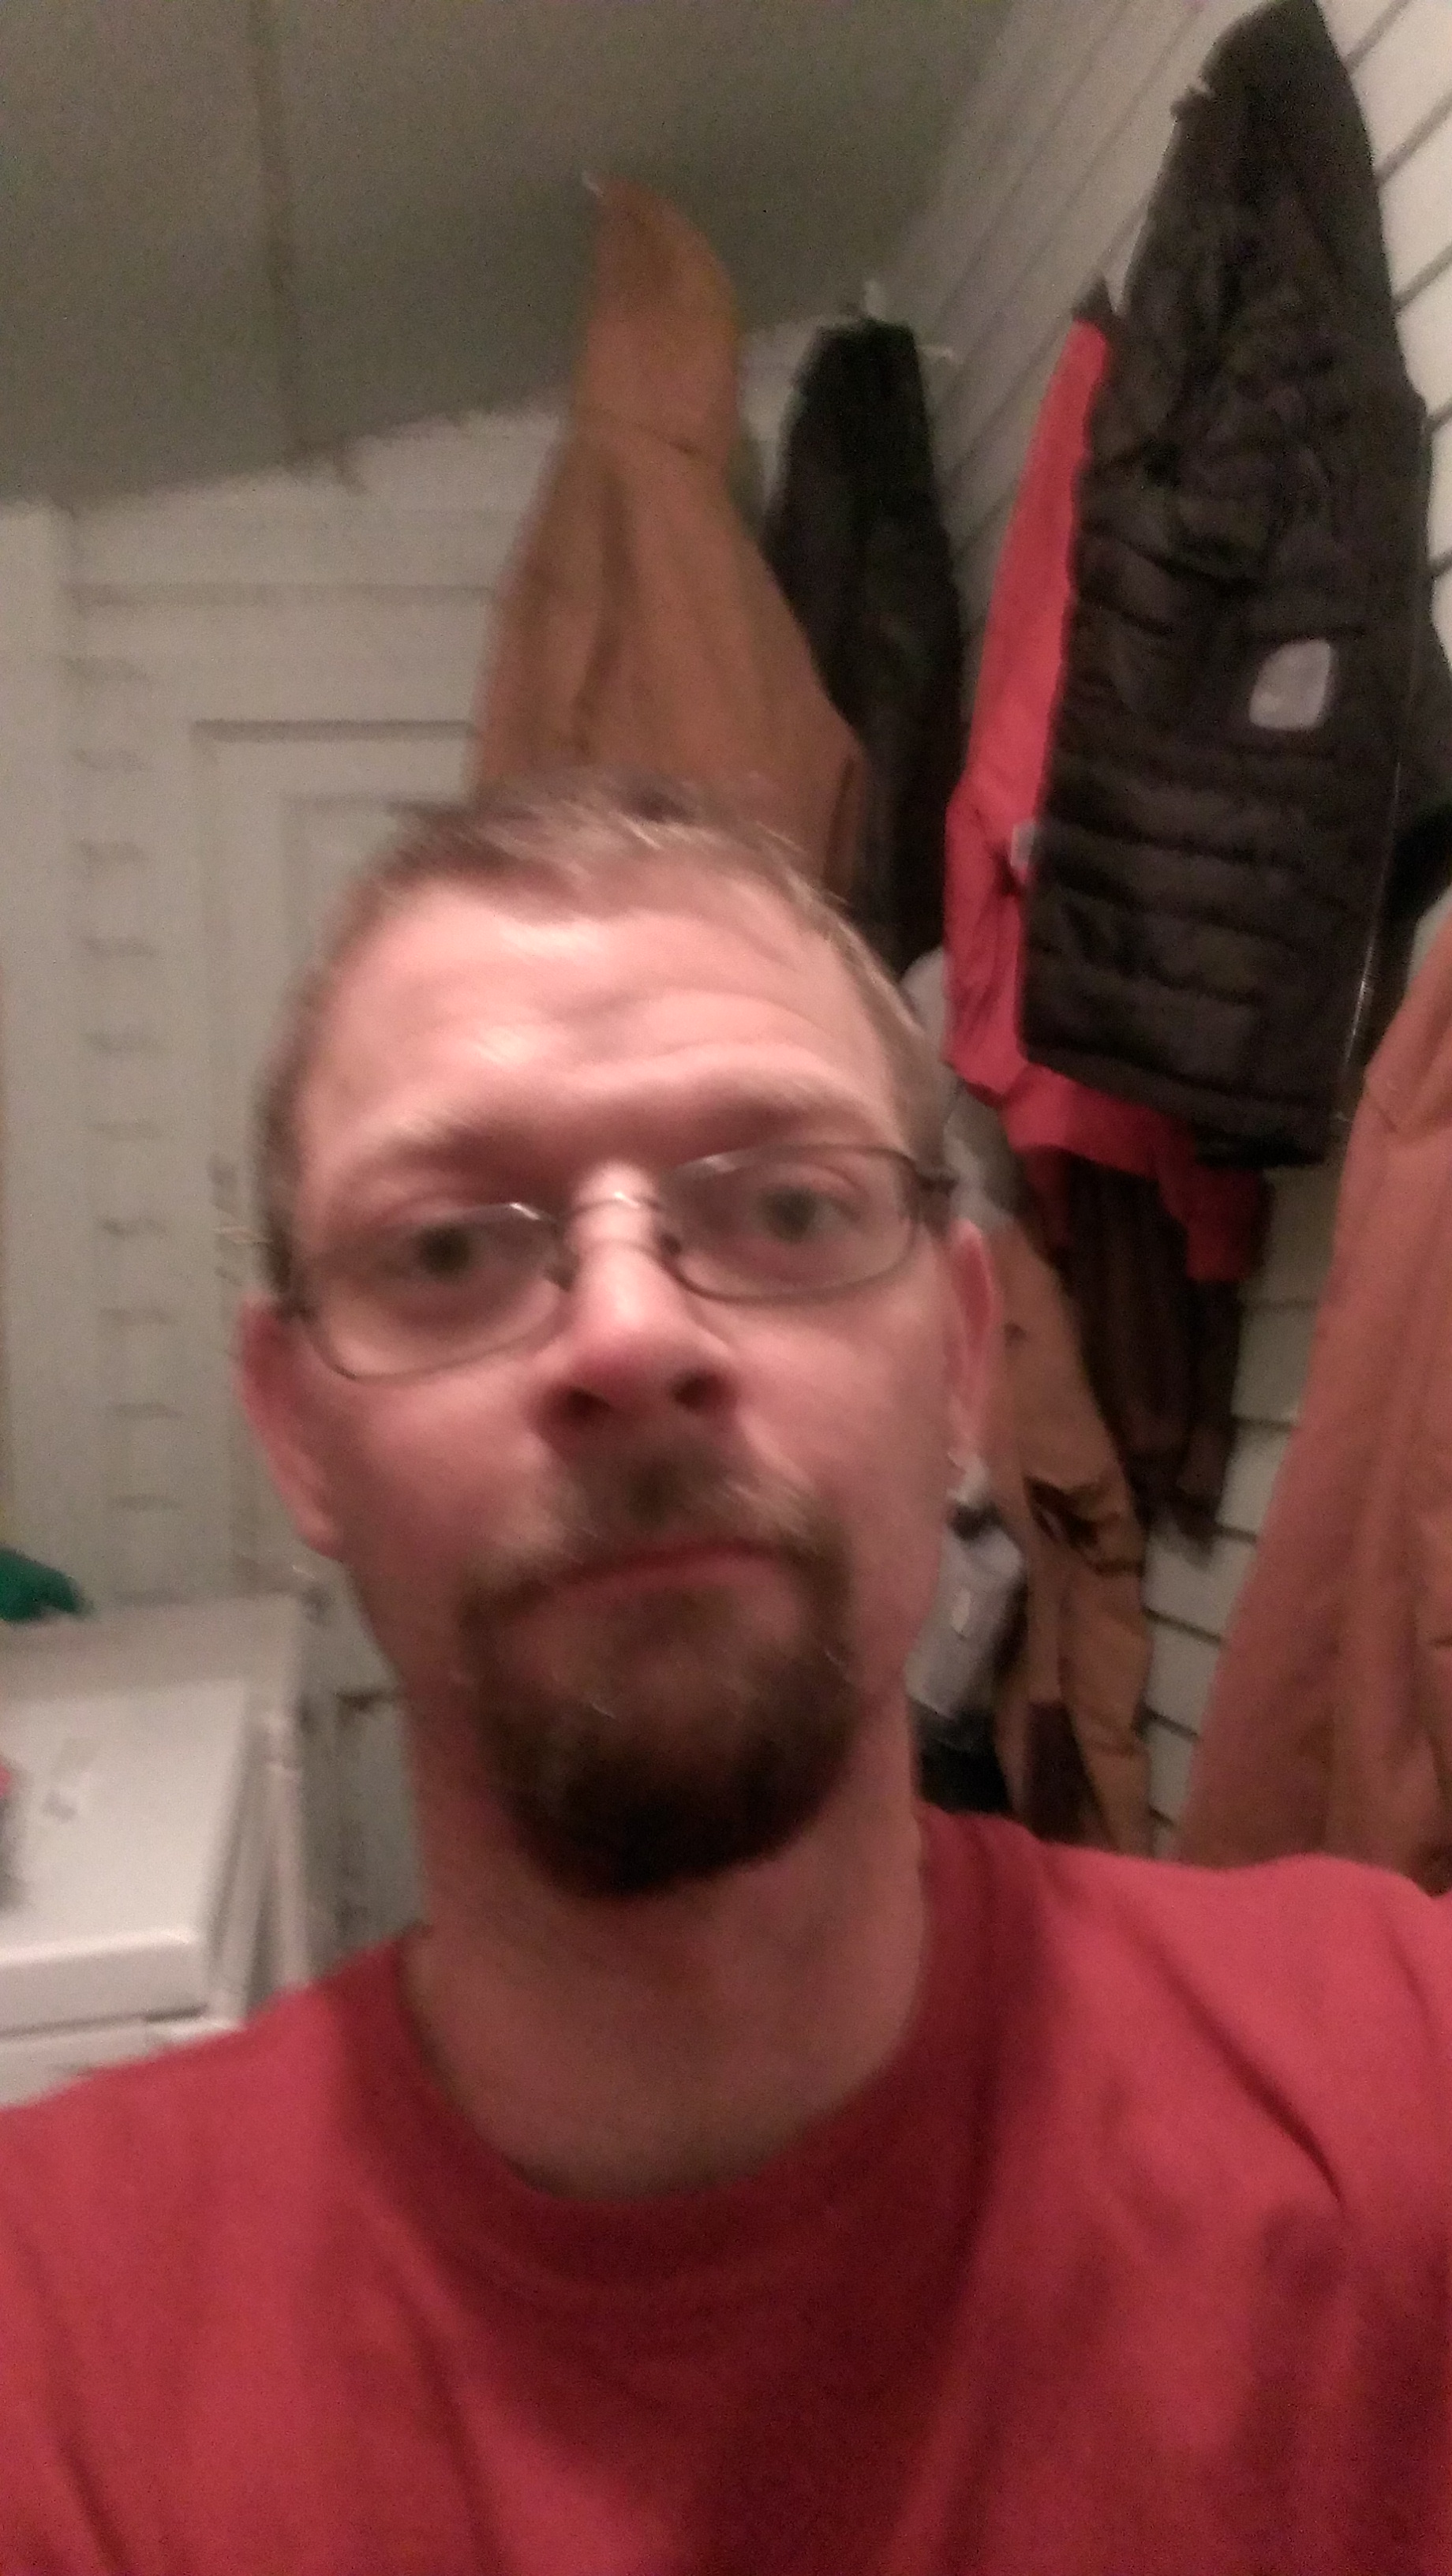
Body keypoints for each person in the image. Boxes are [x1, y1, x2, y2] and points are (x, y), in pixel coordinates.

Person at [2, 773, 1451, 2576]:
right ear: (295, 1430)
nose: (628, 1334)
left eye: (786, 1205)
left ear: (960, 1365)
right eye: (446, 1248)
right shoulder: (50, 2353)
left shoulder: (1395, 2090)